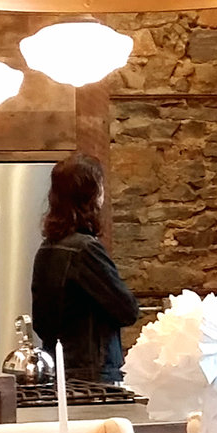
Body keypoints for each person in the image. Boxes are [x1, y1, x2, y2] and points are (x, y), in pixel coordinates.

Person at [31, 154, 140, 384]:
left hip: (58, 372)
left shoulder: (47, 248)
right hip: (93, 376)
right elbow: (128, 309)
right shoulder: (86, 250)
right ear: (90, 194)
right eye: (101, 185)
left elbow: (42, 323)